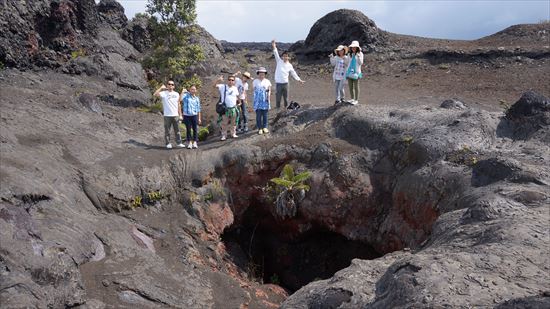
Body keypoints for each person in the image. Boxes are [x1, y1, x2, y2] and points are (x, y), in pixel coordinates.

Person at [271, 39, 305, 109]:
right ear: (282, 56)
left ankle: (285, 109)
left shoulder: (289, 65)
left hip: (286, 84)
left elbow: (293, 73)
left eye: (286, 56)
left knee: (286, 98)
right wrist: (274, 45)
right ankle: (277, 109)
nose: (285, 57)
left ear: (288, 57)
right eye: (284, 56)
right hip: (278, 84)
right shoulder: (279, 61)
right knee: (278, 98)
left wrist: (299, 80)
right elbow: (275, 53)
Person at [154, 80, 184, 149]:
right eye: (169, 84)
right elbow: (155, 94)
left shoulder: (176, 94)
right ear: (167, 85)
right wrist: (161, 88)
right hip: (167, 115)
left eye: (172, 84)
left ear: (174, 86)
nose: (170, 85)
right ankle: (168, 143)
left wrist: (180, 114)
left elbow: (179, 104)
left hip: (175, 115)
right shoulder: (163, 93)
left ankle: (179, 143)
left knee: (177, 130)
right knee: (167, 130)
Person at [213, 75, 239, 140]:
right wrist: (218, 80)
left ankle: (233, 133)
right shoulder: (223, 86)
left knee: (233, 122)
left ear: (234, 82)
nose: (231, 81)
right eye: (229, 80)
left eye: (232, 80)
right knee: (224, 122)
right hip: (225, 108)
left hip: (233, 108)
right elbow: (214, 86)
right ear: (227, 80)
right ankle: (224, 135)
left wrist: (239, 103)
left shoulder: (235, 88)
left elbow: (236, 96)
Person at [180, 85, 201, 149]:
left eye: (194, 89)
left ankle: (195, 142)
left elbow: (198, 109)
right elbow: (180, 99)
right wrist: (182, 92)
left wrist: (199, 118)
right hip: (187, 116)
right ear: (189, 90)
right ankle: (189, 143)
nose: (193, 90)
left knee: (195, 129)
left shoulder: (197, 98)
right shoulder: (186, 96)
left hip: (194, 115)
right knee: (188, 129)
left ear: (196, 90)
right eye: (192, 89)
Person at [253, 67, 272, 134]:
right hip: (258, 101)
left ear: (265, 74)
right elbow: (254, 90)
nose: (261, 74)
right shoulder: (255, 81)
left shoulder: (267, 81)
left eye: (263, 73)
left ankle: (265, 127)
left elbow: (269, 90)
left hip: (265, 100)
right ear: (258, 73)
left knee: (265, 115)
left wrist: (268, 97)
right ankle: (259, 128)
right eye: (260, 73)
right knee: (258, 115)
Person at [346, 40, 364, 105]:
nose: (353, 48)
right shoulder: (349, 54)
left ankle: (356, 100)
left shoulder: (361, 54)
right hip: (349, 72)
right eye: (352, 47)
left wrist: (358, 56)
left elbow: (361, 63)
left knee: (356, 86)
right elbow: (347, 63)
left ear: (357, 48)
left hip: (357, 73)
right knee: (350, 86)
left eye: (355, 47)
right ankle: (352, 99)